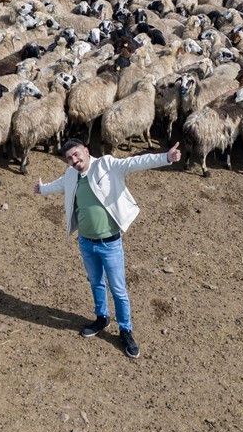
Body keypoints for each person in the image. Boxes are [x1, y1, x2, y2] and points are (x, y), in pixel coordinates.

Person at [33, 138, 181, 358]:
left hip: (110, 243)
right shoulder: (71, 174)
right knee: (95, 282)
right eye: (69, 158)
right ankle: (101, 318)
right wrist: (42, 189)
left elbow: (135, 162)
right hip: (86, 242)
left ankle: (125, 330)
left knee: (119, 290)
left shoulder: (107, 165)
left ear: (86, 150)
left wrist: (165, 158)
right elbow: (57, 185)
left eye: (76, 154)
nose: (74, 160)